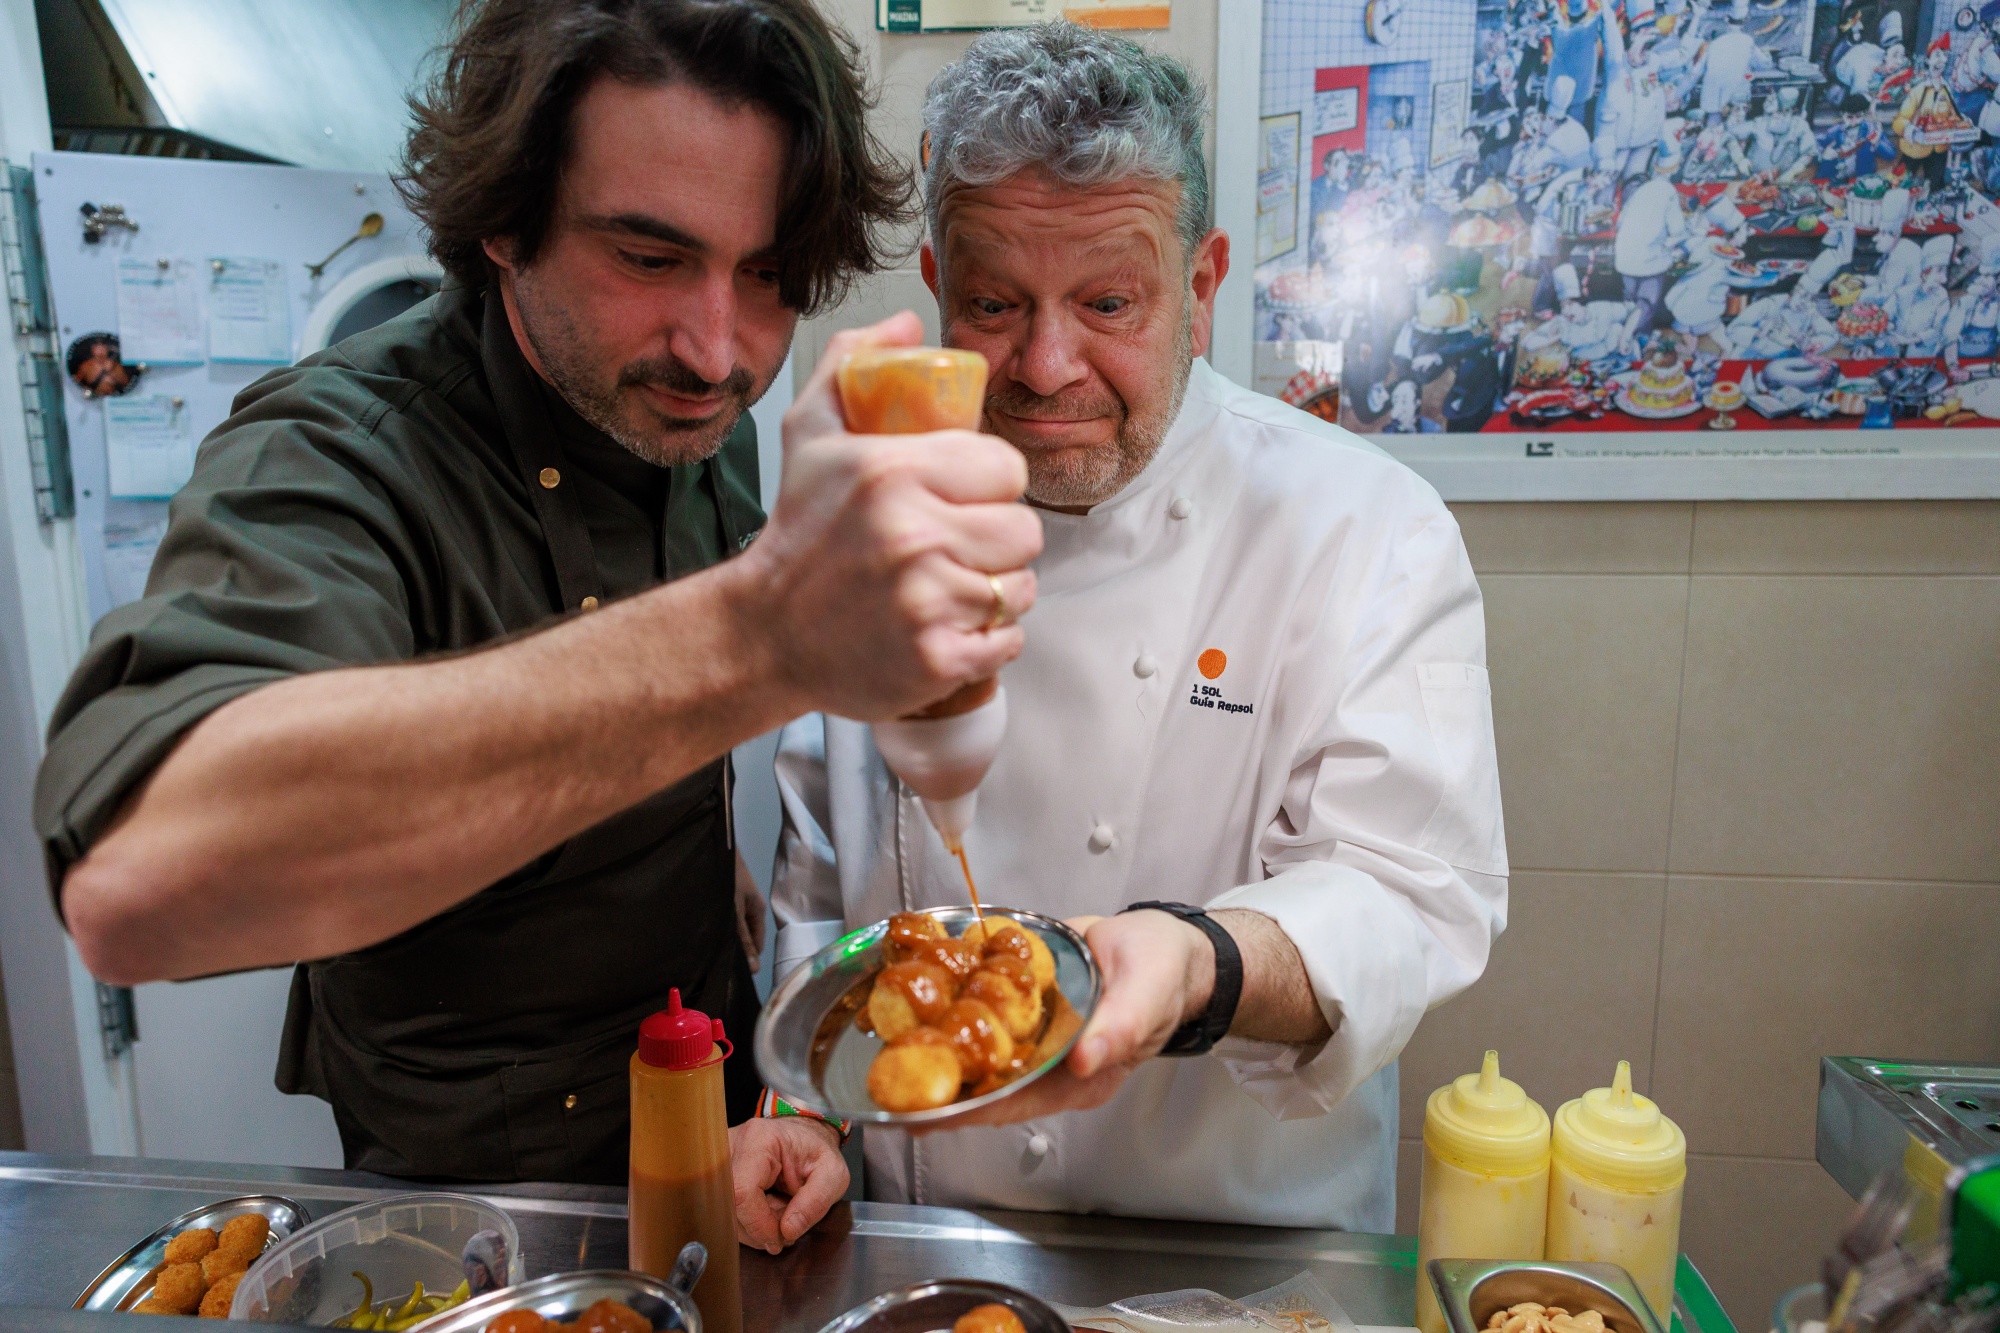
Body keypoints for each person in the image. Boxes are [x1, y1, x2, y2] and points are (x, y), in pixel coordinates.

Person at [33, 0, 1044, 1245]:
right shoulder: (336, 450)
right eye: (648, 257)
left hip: (713, 1120)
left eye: (769, 274)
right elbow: (129, 886)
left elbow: (637, 713)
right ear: (505, 221)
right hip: (465, 1198)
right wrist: (755, 637)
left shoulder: (690, 427)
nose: (716, 351)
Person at [771, 23, 1505, 1229]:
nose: (1047, 365)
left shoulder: (1364, 527)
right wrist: (804, 1112)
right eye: (996, 303)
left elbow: (1408, 898)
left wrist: (1193, 961)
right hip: (927, 1241)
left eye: (1107, 301)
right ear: (939, 287)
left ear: (1202, 288)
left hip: (1244, 1261)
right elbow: (818, 878)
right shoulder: (878, 517)